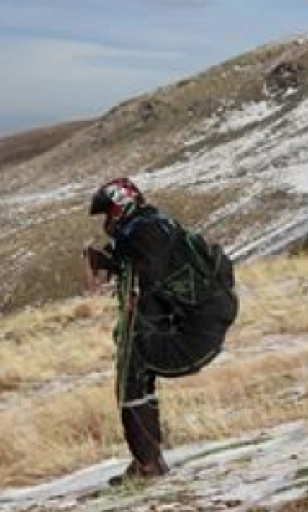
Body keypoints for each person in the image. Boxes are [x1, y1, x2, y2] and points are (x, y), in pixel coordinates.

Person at [85, 177, 238, 482]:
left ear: (121, 205)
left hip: (196, 331)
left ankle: (148, 464)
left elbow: (148, 273)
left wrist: (111, 264)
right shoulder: (153, 224)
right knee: (136, 358)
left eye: (109, 212)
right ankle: (148, 460)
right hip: (199, 322)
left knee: (133, 366)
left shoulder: (146, 229)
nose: (107, 221)